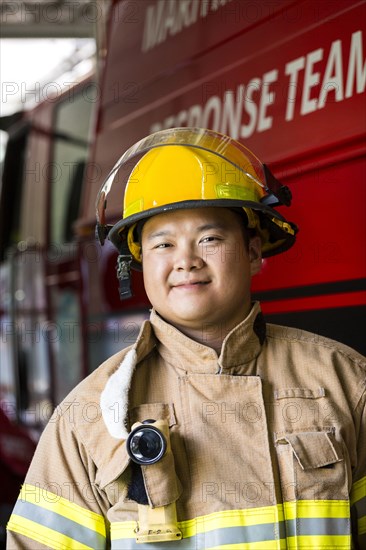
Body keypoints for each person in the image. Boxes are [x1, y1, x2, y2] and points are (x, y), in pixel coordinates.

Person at [7, 128, 366, 549]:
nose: (186, 261)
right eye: (163, 243)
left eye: (209, 238)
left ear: (252, 251)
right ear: (138, 263)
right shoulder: (89, 416)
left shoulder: (345, 382)